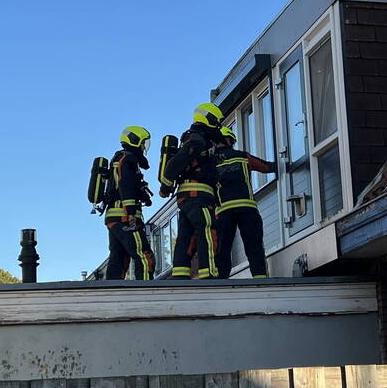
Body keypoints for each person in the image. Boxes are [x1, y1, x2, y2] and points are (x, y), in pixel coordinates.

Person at [160, 103, 224, 278]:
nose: (218, 127)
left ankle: (180, 276)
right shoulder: (197, 140)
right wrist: (165, 184)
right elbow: (175, 164)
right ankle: (209, 274)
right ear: (208, 120)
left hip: (187, 198)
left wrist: (166, 186)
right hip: (198, 195)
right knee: (207, 232)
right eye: (216, 122)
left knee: (185, 239)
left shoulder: (193, 138)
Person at [214, 126, 276, 278]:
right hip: (246, 208)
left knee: (223, 249)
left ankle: (221, 283)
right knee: (253, 245)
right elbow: (266, 167)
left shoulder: (210, 162)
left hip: (223, 212)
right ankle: (260, 279)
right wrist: (283, 162)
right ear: (230, 141)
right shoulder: (242, 156)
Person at [103, 126, 156, 280]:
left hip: (113, 216)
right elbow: (126, 185)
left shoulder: (118, 158)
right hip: (125, 216)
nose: (143, 147)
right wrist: (131, 213)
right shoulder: (129, 158)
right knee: (144, 255)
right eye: (142, 143)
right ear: (135, 140)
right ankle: (147, 294)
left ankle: (111, 294)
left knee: (118, 257)